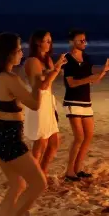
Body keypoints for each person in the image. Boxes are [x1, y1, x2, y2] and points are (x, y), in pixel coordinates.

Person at [0, 32, 51, 216]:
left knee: (17, 184)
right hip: (8, 137)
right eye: (19, 50)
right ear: (10, 53)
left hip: (1, 134)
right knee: (39, 183)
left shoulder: (1, 76)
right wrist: (38, 84)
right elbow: (33, 104)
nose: (22, 53)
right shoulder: (8, 79)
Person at [61, 29, 109, 181]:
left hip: (86, 101)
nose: (83, 43)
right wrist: (90, 78)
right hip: (72, 101)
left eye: (84, 40)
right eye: (80, 40)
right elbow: (71, 83)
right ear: (72, 42)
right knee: (79, 137)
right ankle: (69, 171)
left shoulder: (86, 58)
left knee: (88, 136)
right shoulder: (67, 59)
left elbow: (95, 78)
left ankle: (78, 168)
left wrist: (104, 71)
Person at [22, 30, 64, 173]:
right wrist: (56, 70)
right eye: (47, 40)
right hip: (38, 102)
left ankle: (42, 173)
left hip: (48, 102)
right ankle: (34, 176)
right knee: (40, 142)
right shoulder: (32, 61)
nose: (49, 44)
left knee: (54, 143)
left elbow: (49, 79)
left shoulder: (47, 59)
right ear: (37, 42)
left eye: (50, 41)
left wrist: (55, 68)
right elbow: (42, 85)